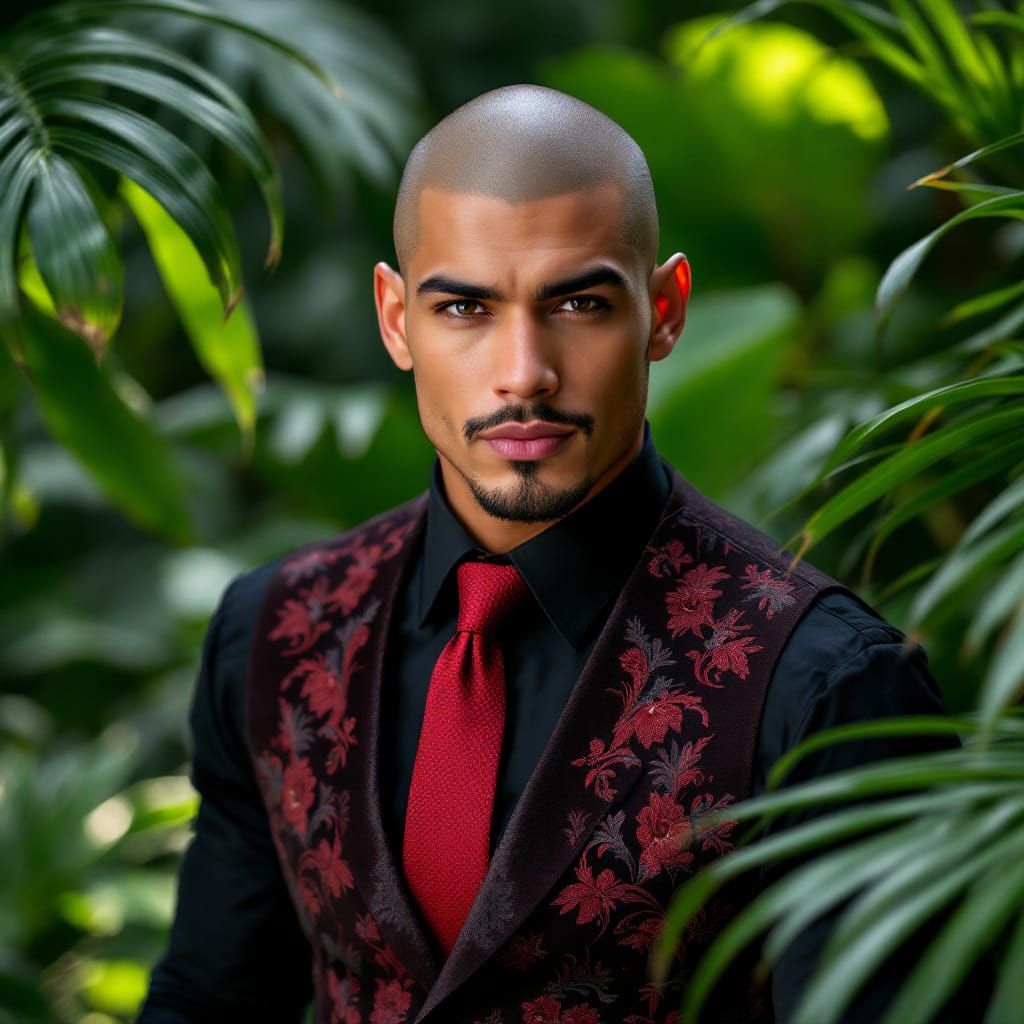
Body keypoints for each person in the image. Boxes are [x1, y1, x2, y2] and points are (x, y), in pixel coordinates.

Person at [138, 85, 955, 1024]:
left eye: (577, 302)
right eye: (465, 309)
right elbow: (207, 1002)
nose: (523, 371)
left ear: (664, 311)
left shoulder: (829, 686)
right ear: (397, 319)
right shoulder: (272, 633)